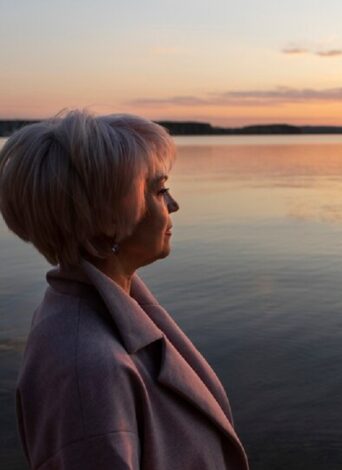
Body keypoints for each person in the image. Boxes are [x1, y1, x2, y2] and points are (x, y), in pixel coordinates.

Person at [0, 110, 249, 469]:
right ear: (105, 223)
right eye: (160, 190)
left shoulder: (110, 308)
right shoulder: (86, 373)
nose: (173, 205)